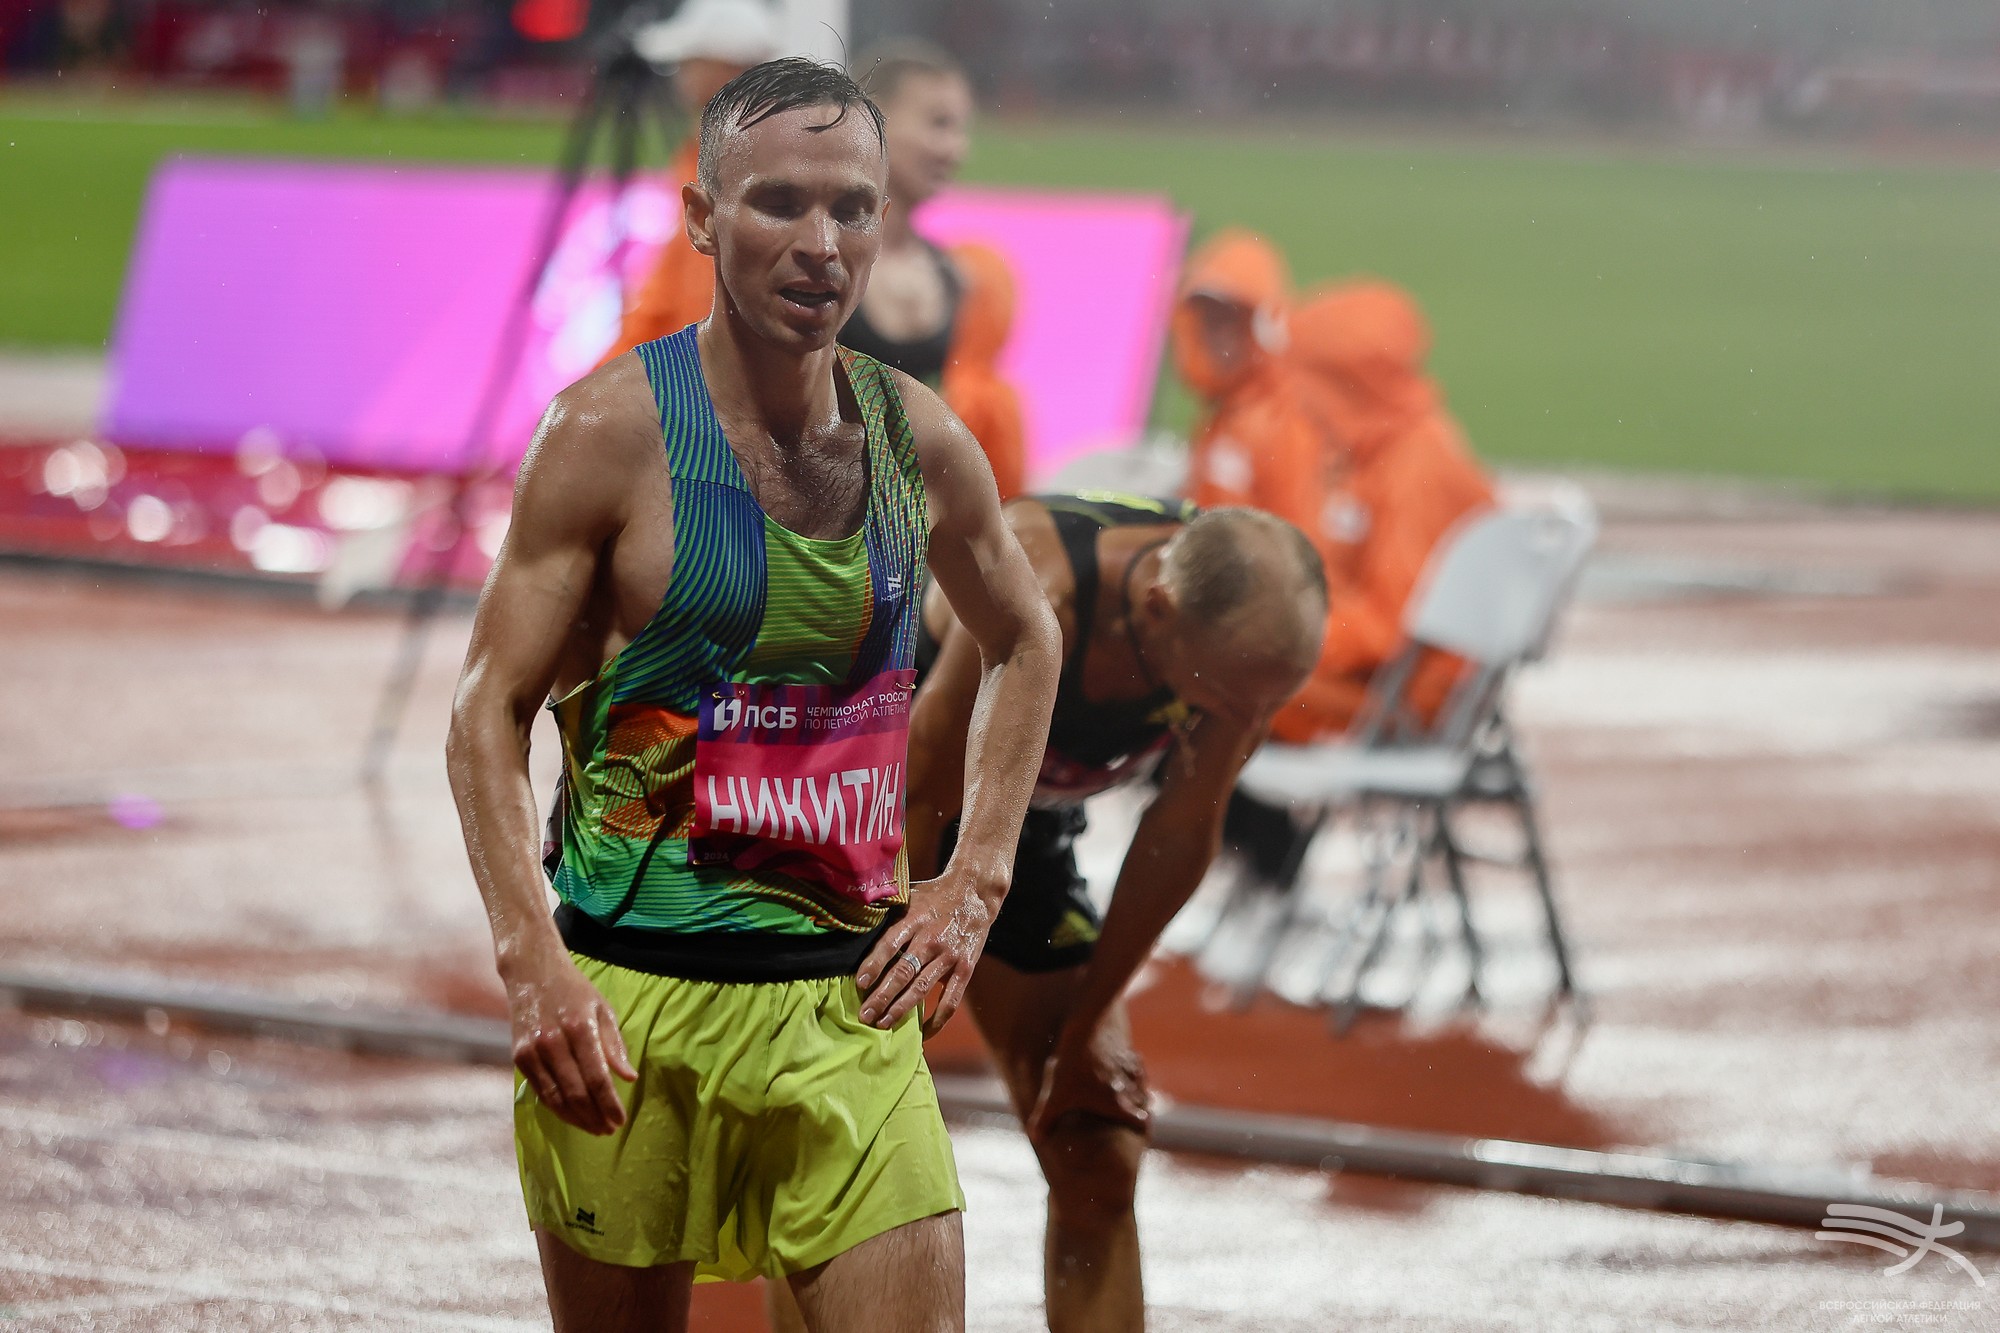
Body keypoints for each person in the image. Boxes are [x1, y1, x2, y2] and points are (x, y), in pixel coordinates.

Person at [446, 58, 1062, 1333]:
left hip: (848, 1001)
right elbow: (486, 709)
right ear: (702, 216)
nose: (820, 244)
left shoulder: (918, 439)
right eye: (778, 201)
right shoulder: (606, 437)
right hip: (630, 1007)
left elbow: (1023, 635)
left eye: (851, 208)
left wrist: (975, 878)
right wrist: (528, 961)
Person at [909, 494, 1327, 1331]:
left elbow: (1178, 834)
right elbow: (920, 795)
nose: (1245, 728)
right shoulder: (1040, 588)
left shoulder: (1237, 639)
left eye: (1263, 707)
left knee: (1093, 1147)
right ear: (1157, 610)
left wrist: (1086, 1029)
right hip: (886, 802)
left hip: (1021, 819)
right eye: (1228, 703)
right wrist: (892, 982)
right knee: (843, 1135)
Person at [1265, 277, 1496, 743]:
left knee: (1220, 684)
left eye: (1305, 384)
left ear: (1343, 386)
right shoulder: (1371, 453)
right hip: (1383, 680)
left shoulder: (1415, 468)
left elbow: (1392, 625)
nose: (1299, 404)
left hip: (1407, 697)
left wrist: (1289, 634)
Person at [600, 0, 779, 361]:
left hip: (708, 369)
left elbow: (696, 292)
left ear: (727, 68)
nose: (678, 74)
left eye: (689, 61)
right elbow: (672, 285)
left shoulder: (741, 160)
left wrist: (613, 374)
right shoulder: (704, 150)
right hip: (697, 361)